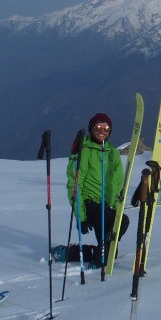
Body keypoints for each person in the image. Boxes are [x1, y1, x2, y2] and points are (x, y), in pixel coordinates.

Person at [58, 113, 130, 266]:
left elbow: (117, 185)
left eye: (106, 128)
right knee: (123, 221)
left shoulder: (112, 152)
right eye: (98, 127)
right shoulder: (84, 150)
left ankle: (73, 253)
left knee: (111, 254)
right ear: (91, 129)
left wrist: (115, 207)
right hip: (89, 204)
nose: (102, 131)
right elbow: (74, 185)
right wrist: (81, 216)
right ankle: (99, 258)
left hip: (106, 206)